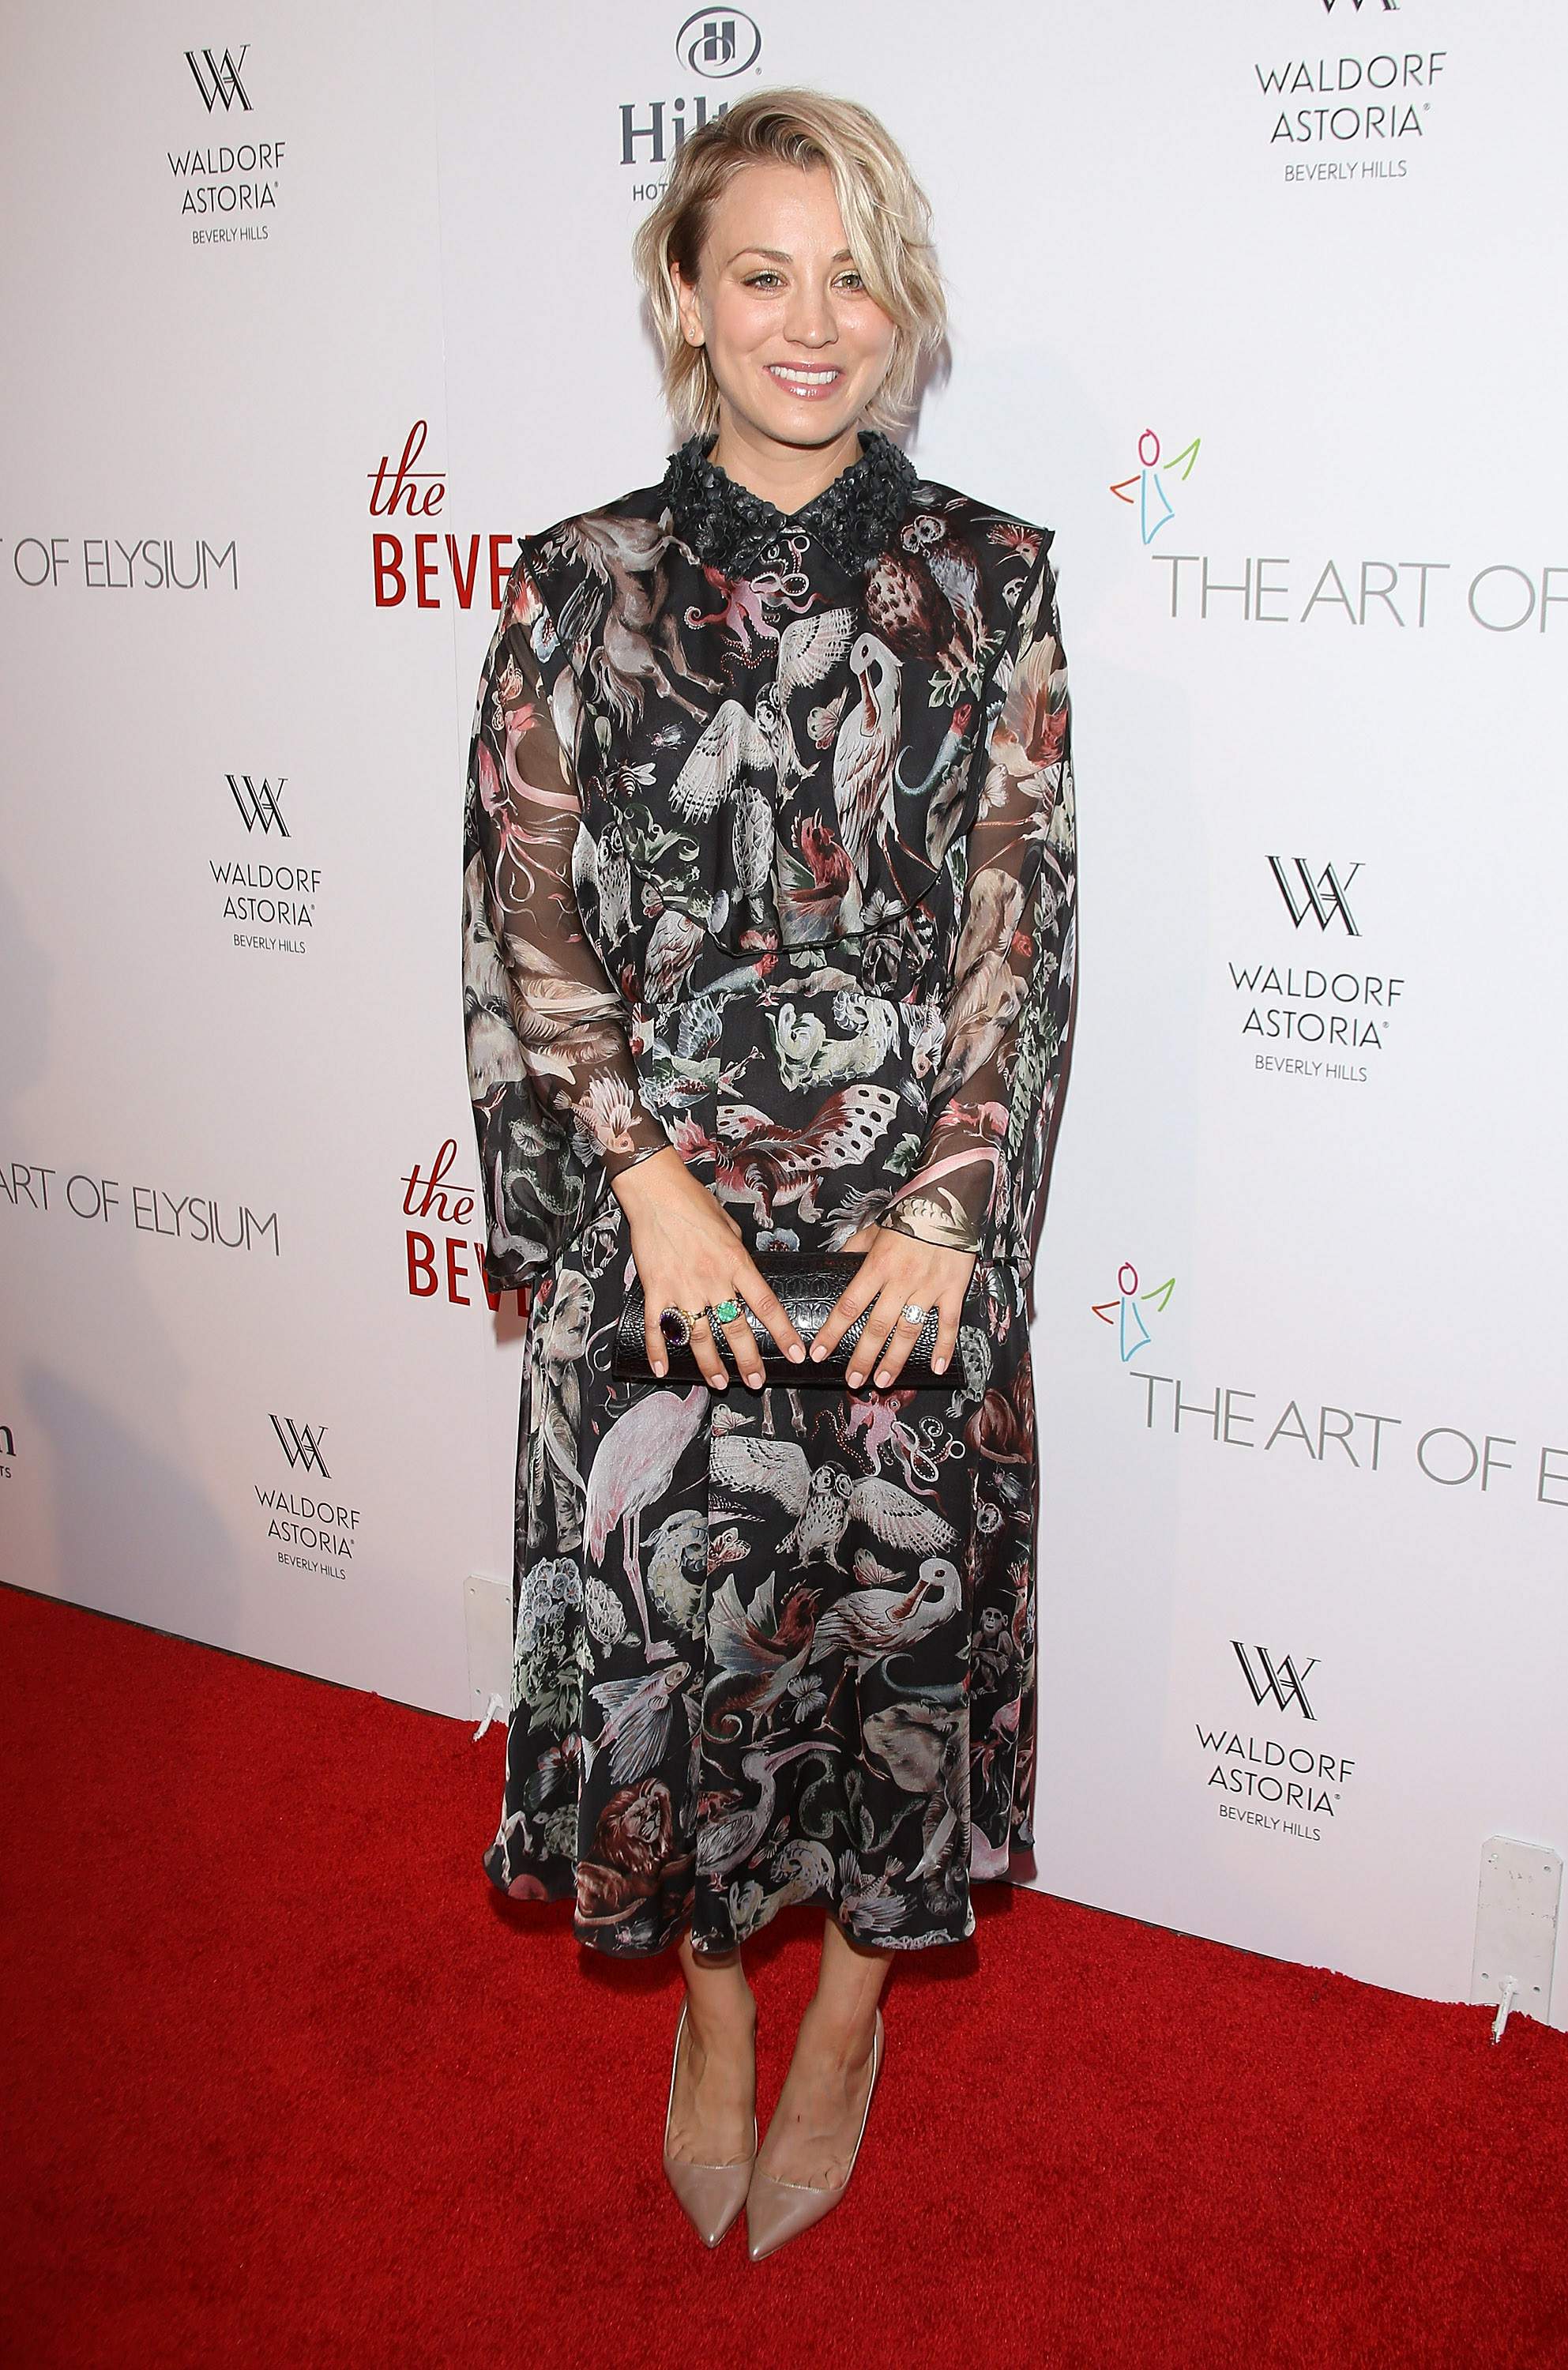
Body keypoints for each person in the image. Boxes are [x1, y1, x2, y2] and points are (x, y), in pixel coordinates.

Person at [461, 86, 1077, 2259]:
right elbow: (526, 915)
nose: (811, 323)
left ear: (902, 307)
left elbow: (1018, 918)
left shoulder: (993, 581)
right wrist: (641, 1180)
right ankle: (715, 2014)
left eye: (854, 277)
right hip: (662, 1219)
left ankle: (848, 2024)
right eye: (762, 273)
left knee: (893, 1637)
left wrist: (949, 1205)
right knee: (682, 1632)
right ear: (686, 296)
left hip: (907, 1225)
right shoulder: (580, 583)